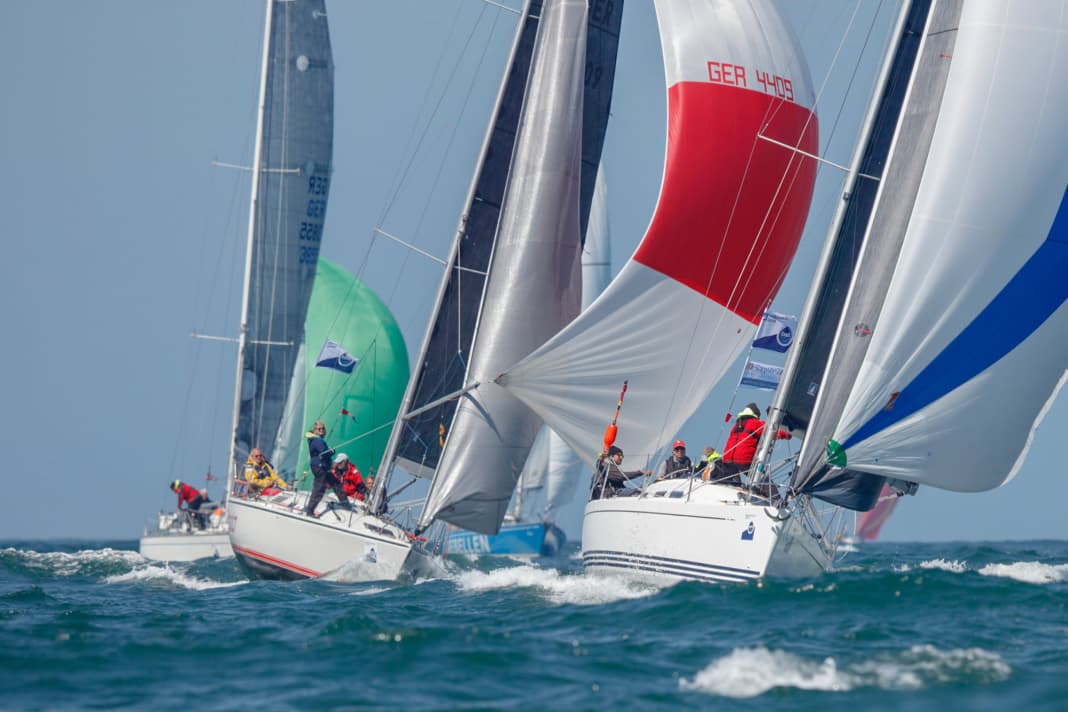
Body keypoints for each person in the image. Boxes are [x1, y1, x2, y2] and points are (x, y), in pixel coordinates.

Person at [720, 403, 791, 484]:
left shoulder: (736, 425)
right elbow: (771, 431)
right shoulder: (755, 423)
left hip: (727, 459)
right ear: (755, 414)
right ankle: (773, 496)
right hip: (743, 459)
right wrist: (788, 433)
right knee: (763, 479)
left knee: (727, 481)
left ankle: (732, 487)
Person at [303, 420, 349, 516]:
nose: (321, 430)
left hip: (324, 468)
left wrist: (329, 450)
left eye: (323, 428)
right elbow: (324, 452)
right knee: (319, 488)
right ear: (315, 430)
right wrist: (332, 451)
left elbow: (324, 451)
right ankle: (310, 510)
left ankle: (345, 502)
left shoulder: (319, 440)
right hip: (319, 468)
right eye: (319, 429)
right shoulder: (316, 440)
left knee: (335, 483)